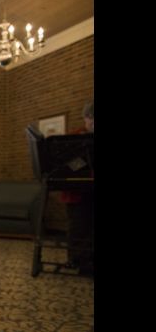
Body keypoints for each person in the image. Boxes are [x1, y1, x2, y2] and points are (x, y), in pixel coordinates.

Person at [61, 101, 94, 275]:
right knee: (79, 226)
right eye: (91, 120)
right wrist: (85, 160)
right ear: (87, 119)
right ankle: (78, 261)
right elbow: (66, 165)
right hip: (77, 191)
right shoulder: (75, 137)